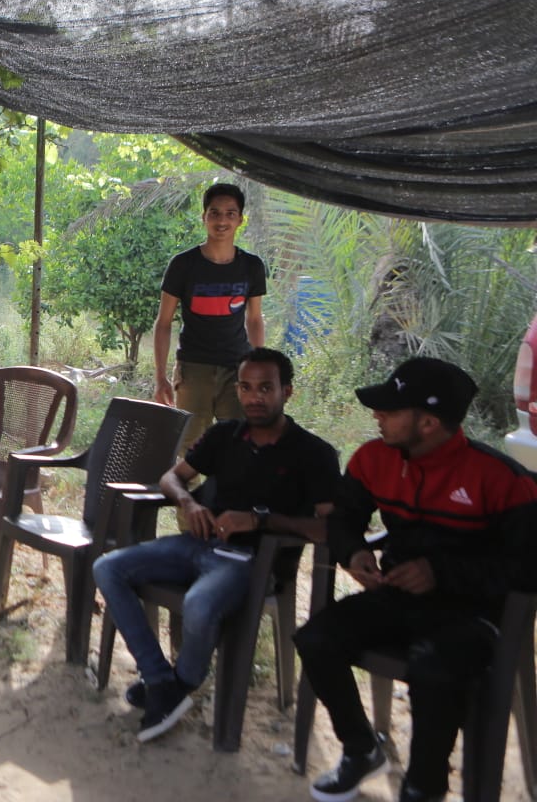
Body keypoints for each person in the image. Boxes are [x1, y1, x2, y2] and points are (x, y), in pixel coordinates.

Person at [295, 357, 537, 802]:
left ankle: (424, 787)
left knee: (434, 668)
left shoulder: (502, 480)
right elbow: (344, 517)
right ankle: (361, 749)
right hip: (398, 599)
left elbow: (526, 568)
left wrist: (443, 572)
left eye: (390, 410)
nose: (377, 416)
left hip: (473, 613)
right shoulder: (374, 459)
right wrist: (355, 551)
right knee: (315, 639)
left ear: (428, 422)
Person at [93, 347, 338, 742]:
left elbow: (329, 528)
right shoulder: (226, 434)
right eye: (245, 387)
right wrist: (188, 502)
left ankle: (183, 681)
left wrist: (259, 520)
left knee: (199, 604)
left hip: (251, 561)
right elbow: (173, 477)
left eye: (265, 388)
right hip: (197, 544)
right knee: (107, 567)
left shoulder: (314, 453)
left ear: (287, 392)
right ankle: (161, 681)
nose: (254, 397)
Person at [153, 183, 267, 453]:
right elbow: (164, 323)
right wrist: (160, 377)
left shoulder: (251, 266)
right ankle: (187, 497)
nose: (222, 220)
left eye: (230, 213)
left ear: (240, 219)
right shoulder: (183, 264)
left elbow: (254, 319)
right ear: (204, 217)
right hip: (194, 368)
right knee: (191, 449)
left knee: (240, 447)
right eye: (214, 213)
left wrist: (259, 368)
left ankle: (229, 497)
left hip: (237, 369)